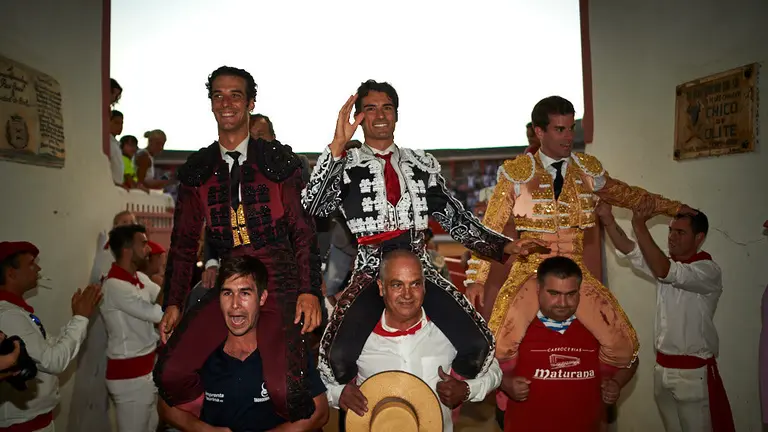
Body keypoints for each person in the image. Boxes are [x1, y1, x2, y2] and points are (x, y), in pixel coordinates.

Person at [465, 95, 696, 370]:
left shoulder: (587, 170)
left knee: (623, 346)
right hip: (531, 271)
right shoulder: (517, 173)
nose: (568, 137)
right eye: (559, 129)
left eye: (571, 128)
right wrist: (476, 279)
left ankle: (583, 386)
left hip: (575, 269)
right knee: (500, 347)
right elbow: (489, 226)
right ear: (540, 132)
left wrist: (674, 208)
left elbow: (629, 196)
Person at [154, 65, 322, 422]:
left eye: (235, 95)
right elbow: (184, 244)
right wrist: (173, 301)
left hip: (279, 281)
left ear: (250, 103)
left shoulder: (276, 161)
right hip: (229, 284)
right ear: (211, 103)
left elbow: (302, 232)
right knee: (170, 374)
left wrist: (309, 290)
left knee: (287, 392)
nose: (226, 102)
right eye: (218, 95)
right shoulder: (198, 170)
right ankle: (217, 409)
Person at [325, 250, 501, 432]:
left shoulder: (448, 331)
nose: (407, 295)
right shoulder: (358, 338)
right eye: (397, 285)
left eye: (415, 284)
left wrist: (467, 390)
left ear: (425, 286)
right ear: (381, 287)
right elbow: (320, 383)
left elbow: (493, 369)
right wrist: (339, 394)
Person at [597, 202, 734, 431]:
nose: (672, 237)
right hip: (662, 369)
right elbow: (629, 249)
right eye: (671, 231)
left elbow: (664, 271)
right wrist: (608, 219)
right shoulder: (667, 263)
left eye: (680, 232)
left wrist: (639, 226)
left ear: (699, 238)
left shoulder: (707, 270)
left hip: (693, 373)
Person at [159, 256, 329, 431]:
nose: (235, 305)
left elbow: (320, 412)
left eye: (245, 293)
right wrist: (204, 430)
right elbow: (165, 406)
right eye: (227, 293)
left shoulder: (286, 348)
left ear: (262, 298)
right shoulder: (202, 349)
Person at [502, 256, 637, 432]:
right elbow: (487, 368)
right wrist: (505, 384)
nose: (563, 303)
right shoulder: (516, 330)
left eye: (571, 294)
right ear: (538, 289)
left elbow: (631, 359)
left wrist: (616, 384)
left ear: (580, 291)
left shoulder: (598, 327)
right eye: (554, 293)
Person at [0, 241, 102, 431]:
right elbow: (53, 361)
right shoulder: (8, 315)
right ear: (11, 274)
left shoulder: (15, 311)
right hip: (23, 426)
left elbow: (47, 348)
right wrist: (81, 318)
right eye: (31, 263)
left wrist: (77, 318)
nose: (38, 268)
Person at [101, 224, 164, 432]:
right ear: (127, 250)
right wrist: (171, 279)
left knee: (152, 425)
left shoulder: (140, 278)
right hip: (129, 377)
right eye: (143, 244)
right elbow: (158, 314)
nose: (148, 250)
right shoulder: (114, 286)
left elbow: (165, 298)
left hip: (145, 370)